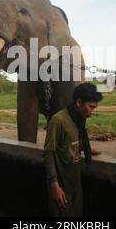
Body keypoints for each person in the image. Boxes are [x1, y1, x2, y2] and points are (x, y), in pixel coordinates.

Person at [43, 82, 103, 217]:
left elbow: (71, 141)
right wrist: (55, 186)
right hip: (61, 185)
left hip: (75, 183)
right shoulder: (58, 120)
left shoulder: (79, 118)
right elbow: (48, 153)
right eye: (91, 107)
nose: (92, 112)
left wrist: (84, 147)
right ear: (79, 102)